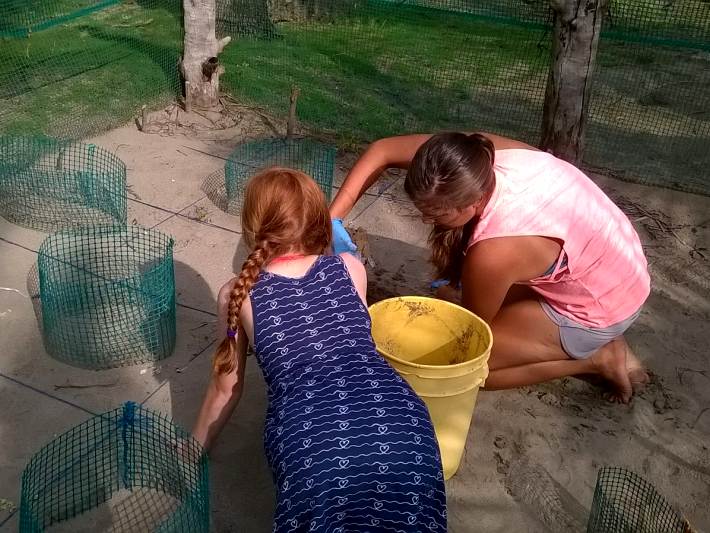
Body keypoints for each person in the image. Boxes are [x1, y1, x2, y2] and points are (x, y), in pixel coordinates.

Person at [193, 167, 446, 532]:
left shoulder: (238, 294)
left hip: (316, 442)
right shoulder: (350, 267)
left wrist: (193, 446)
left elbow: (225, 388)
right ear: (319, 222)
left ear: (251, 230)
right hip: (403, 425)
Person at [330, 132, 651, 403]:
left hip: (604, 302)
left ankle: (598, 359)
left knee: (468, 370)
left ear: (472, 203)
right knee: (464, 291)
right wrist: (330, 220)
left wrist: (455, 297)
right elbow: (382, 150)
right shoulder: (469, 158)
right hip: (615, 260)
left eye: (435, 214)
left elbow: (474, 331)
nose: (427, 220)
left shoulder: (493, 253)